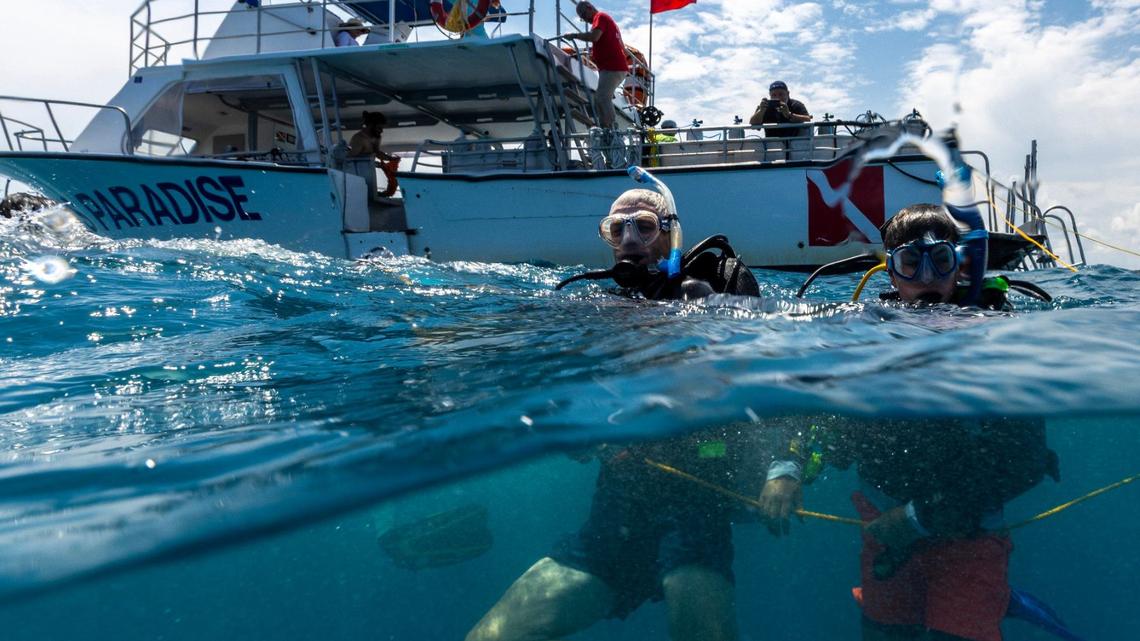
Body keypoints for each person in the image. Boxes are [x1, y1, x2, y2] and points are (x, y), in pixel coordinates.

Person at [467, 178, 772, 641]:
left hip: (697, 510)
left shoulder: (701, 302)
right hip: (615, 516)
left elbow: (762, 386)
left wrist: (780, 466)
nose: (630, 240)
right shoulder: (595, 307)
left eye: (645, 227)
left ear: (671, 234)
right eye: (617, 229)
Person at [564, 2, 629, 130]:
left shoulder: (600, 17)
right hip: (613, 67)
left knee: (602, 97)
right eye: (582, 18)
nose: (585, 19)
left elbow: (594, 36)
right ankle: (607, 126)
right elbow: (621, 47)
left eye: (584, 15)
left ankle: (610, 129)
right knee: (602, 97)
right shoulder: (607, 20)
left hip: (612, 67)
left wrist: (574, 36)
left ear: (589, 8)